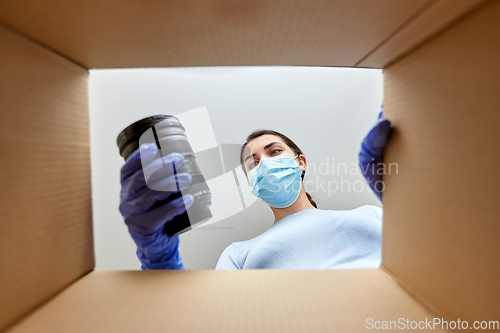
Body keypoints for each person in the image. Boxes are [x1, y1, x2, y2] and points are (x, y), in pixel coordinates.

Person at [119, 105, 391, 270]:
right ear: (250, 182)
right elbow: (208, 319)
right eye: (253, 162)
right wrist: (160, 260)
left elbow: (429, 259)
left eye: (274, 152)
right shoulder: (238, 253)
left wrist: (404, 197)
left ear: (301, 163)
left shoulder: (370, 214)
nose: (265, 163)